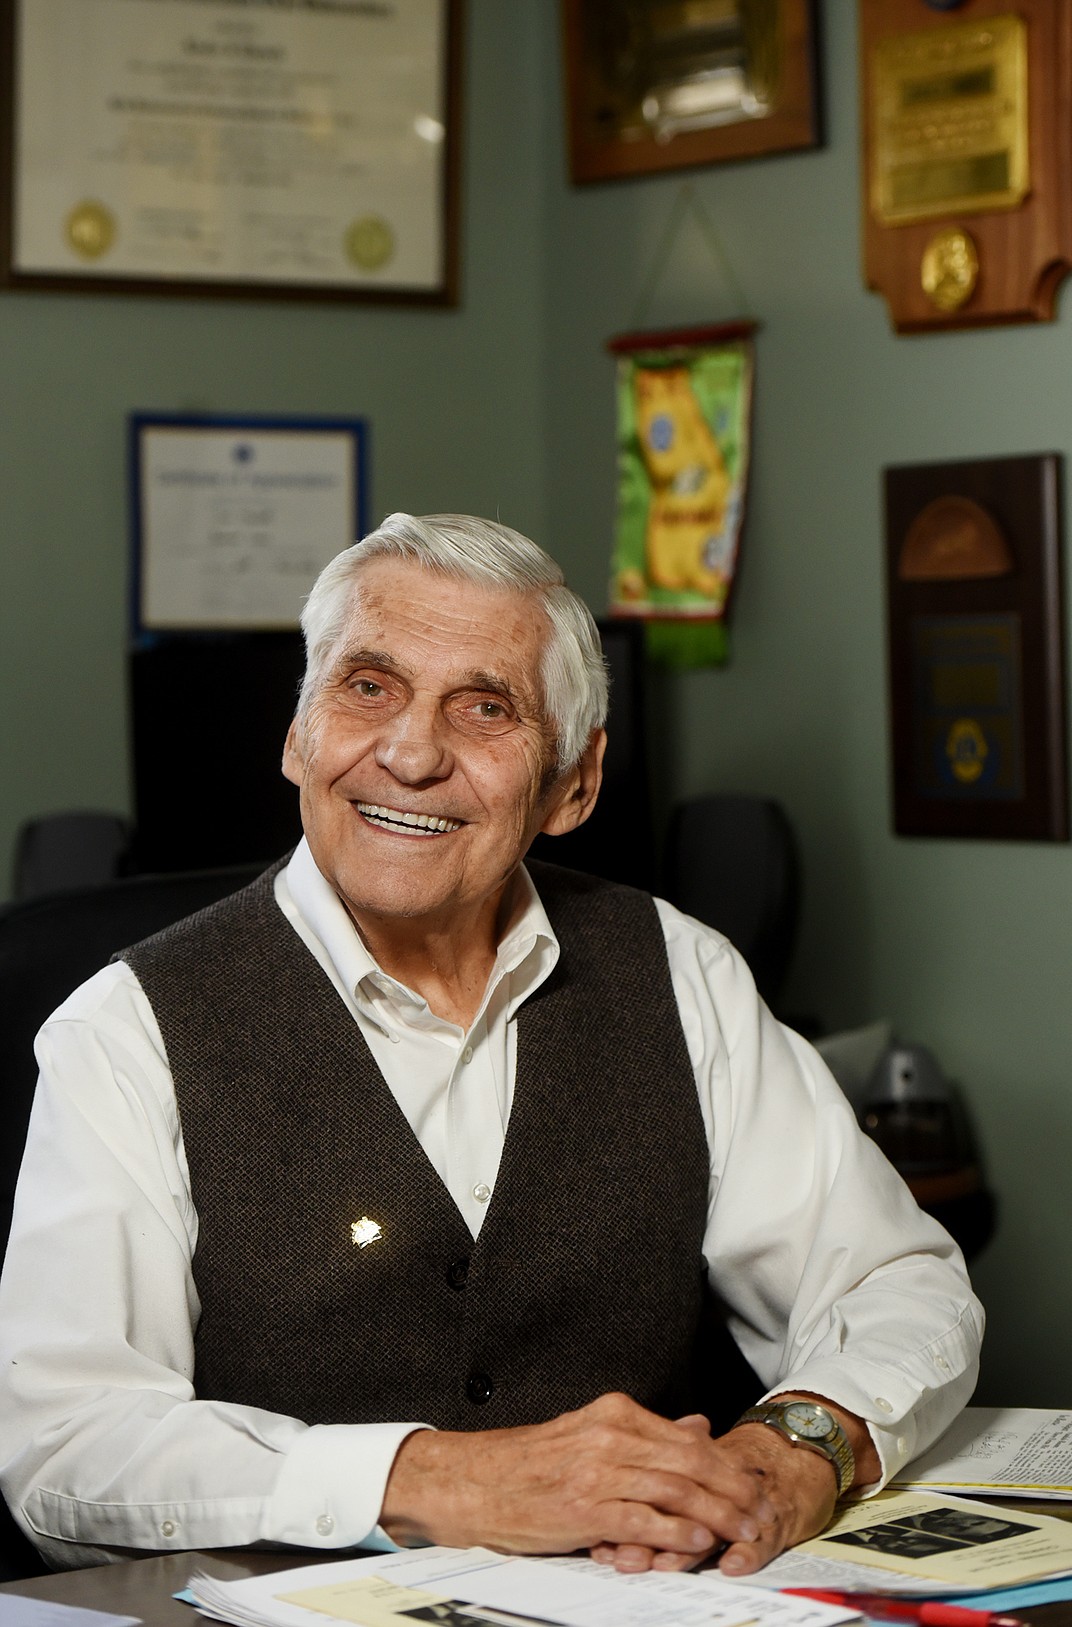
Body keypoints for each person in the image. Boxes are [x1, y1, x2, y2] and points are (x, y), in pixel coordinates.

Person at [0, 513, 983, 1575]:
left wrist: (793, 1453)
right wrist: (444, 1483)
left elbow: (898, 1281)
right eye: (367, 687)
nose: (411, 753)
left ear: (576, 782)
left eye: (485, 708)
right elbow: (69, 1447)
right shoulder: (127, 1030)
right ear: (297, 733)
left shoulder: (682, 973)